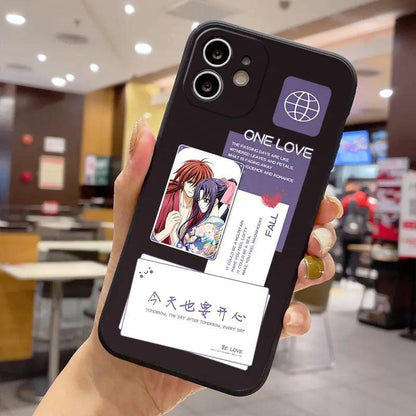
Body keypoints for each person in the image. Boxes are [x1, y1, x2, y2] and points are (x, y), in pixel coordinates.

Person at [34, 118, 343, 416]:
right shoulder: (170, 205)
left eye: (202, 188)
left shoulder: (205, 217)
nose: (197, 193)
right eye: (192, 184)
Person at [153, 158, 213, 245]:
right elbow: (145, 239)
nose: (193, 188)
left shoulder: (201, 209)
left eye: (198, 184)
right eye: (190, 182)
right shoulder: (165, 200)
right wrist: (166, 231)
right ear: (183, 181)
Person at [177, 178, 228, 257]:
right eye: (198, 199)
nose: (200, 203)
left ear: (215, 201)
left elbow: (186, 254)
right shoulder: (215, 224)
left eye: (205, 200)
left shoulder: (209, 228)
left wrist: (172, 233)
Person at [340, 186, 375, 278]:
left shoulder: (348, 199)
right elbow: (371, 219)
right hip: (359, 235)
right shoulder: (368, 203)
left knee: (345, 254)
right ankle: (352, 274)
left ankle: (343, 274)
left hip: (345, 232)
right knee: (355, 255)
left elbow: (340, 213)